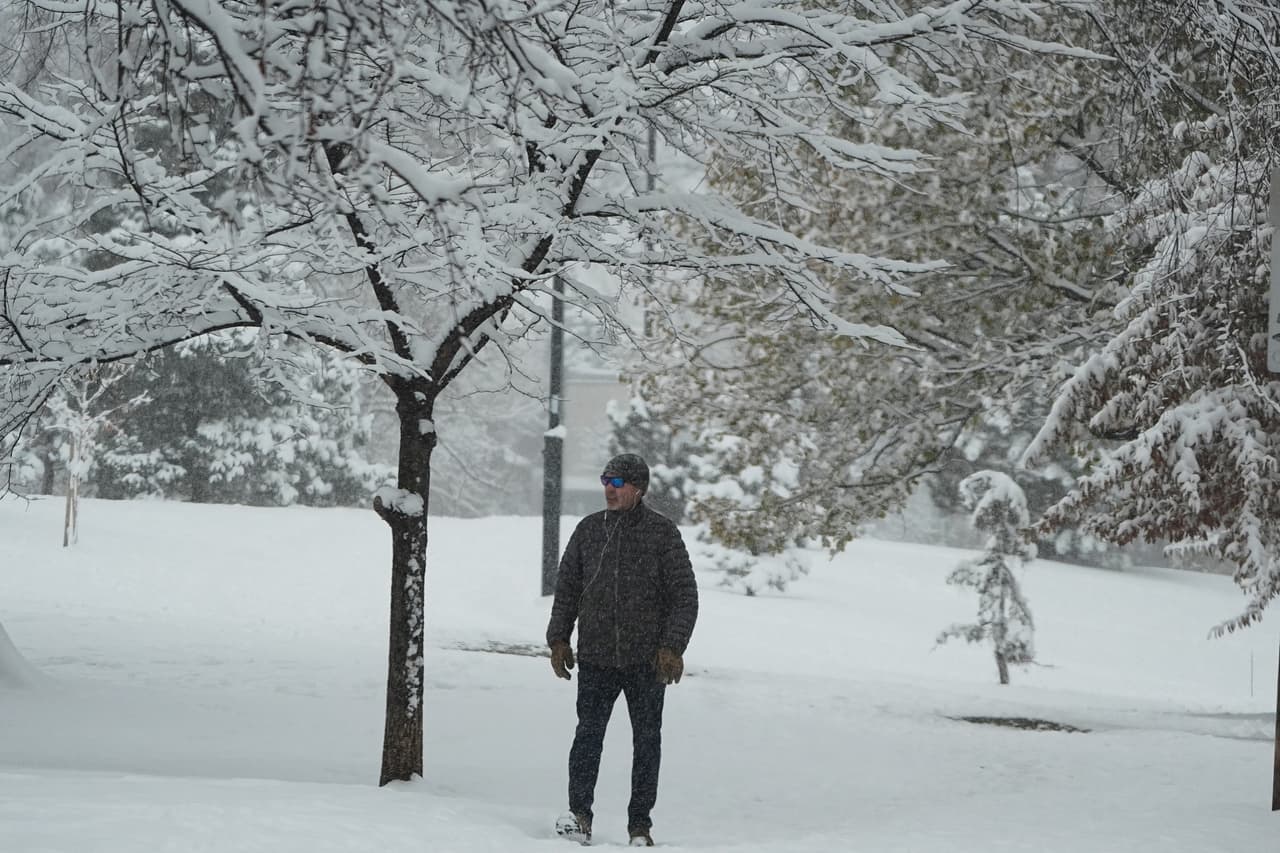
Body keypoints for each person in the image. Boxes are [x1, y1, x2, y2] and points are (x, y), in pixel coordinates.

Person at [546, 453, 699, 847]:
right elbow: (567, 589)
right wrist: (558, 637)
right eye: (605, 482)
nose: (609, 491)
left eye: (617, 484)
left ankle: (640, 826)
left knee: (647, 741)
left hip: (645, 662)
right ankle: (579, 816)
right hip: (596, 657)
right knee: (588, 737)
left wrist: (672, 647)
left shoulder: (662, 534)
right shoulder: (589, 530)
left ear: (638, 489)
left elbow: (685, 596)